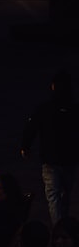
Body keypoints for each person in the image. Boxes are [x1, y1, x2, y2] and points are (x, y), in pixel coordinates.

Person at [21, 69, 79, 225]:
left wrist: (25, 146)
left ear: (53, 86)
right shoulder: (75, 110)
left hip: (50, 159)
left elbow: (31, 127)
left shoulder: (44, 109)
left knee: (53, 196)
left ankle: (57, 227)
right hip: (70, 160)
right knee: (65, 195)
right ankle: (64, 226)